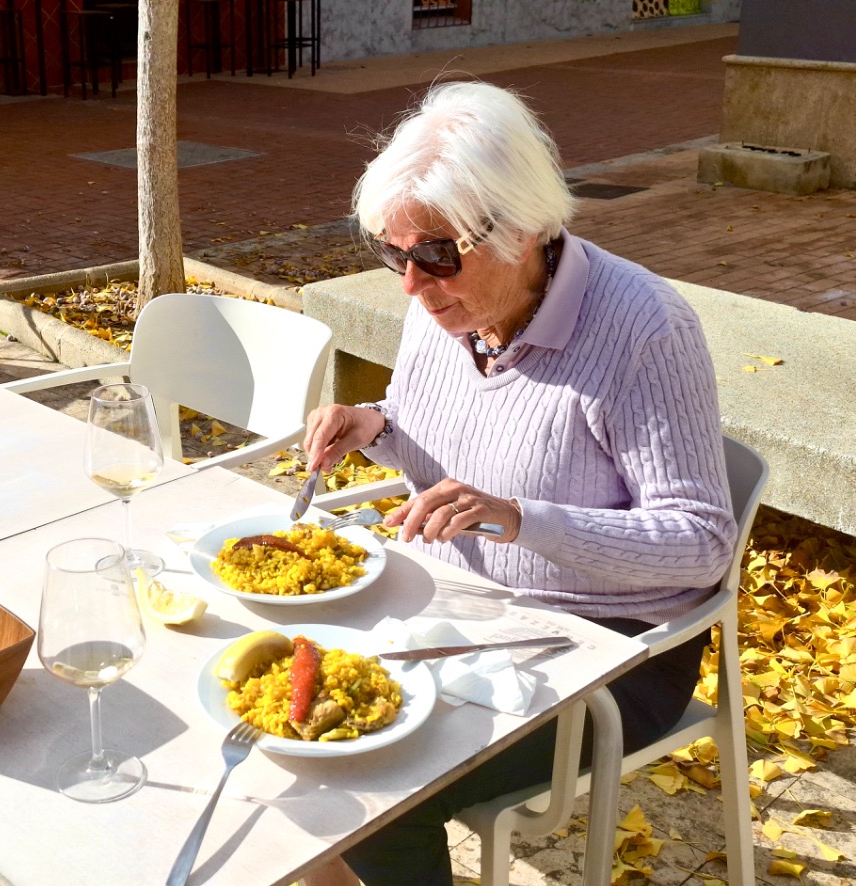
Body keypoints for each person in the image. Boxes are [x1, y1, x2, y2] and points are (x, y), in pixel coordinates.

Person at [299, 80, 738, 886]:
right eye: (394, 255)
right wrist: (374, 426)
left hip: (609, 650)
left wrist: (519, 519)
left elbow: (702, 544)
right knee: (300, 723)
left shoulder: (645, 329)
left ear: (526, 225)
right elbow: (433, 422)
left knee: (376, 786)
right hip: (461, 614)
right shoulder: (446, 305)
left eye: (434, 255)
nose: (410, 283)